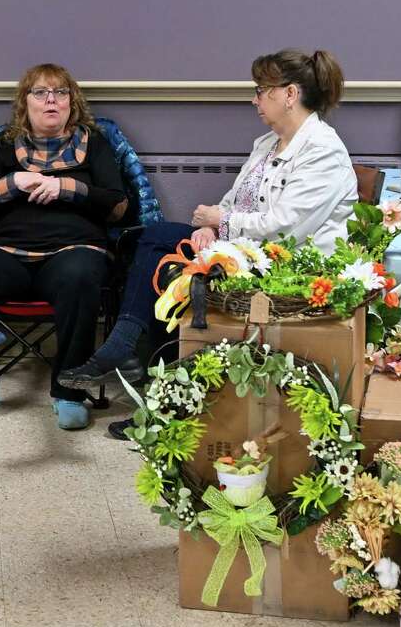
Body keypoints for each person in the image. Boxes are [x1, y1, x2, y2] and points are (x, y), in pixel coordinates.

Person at [59, 49, 357, 436]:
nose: (254, 99)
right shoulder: (268, 143)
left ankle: (132, 360)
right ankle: (141, 371)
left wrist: (221, 222)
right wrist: (213, 228)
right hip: (244, 250)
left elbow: (286, 228)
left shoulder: (323, 150)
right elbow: (236, 200)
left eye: (261, 90)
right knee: (157, 245)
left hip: (288, 266)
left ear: (290, 94)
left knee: (164, 250)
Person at [0, 63, 129, 430]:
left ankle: (68, 392)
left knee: (81, 275)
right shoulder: (3, 145)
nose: (51, 100)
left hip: (74, 251)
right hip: (7, 253)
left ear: (71, 102)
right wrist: (13, 182)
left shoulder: (94, 144)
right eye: (41, 93)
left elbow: (118, 205)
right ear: (25, 103)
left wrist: (68, 189)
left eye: (60, 93)